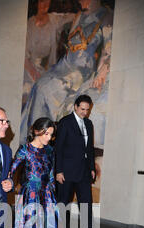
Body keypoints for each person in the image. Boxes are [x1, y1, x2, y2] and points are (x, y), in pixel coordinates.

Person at [20, 0, 113, 144]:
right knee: (40, 86)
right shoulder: (78, 16)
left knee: (47, 88)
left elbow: (109, 49)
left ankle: (47, 140)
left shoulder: (105, 15)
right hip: (64, 65)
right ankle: (33, 144)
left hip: (81, 70)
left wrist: (102, 71)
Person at [9, 117, 65, 228]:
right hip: (30, 196)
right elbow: (11, 171)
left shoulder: (49, 151)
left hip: (46, 195)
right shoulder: (25, 150)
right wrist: (10, 182)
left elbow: (50, 176)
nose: (49, 138)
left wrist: (52, 198)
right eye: (46, 133)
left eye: (51, 134)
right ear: (37, 131)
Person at [55, 94, 95, 228]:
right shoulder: (65, 122)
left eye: (87, 110)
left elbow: (89, 148)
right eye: (82, 109)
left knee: (86, 202)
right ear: (75, 107)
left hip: (84, 171)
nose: (84, 112)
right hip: (66, 171)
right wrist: (58, 170)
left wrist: (91, 167)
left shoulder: (89, 124)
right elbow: (58, 149)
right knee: (63, 202)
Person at [23, 0, 75, 108]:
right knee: (28, 92)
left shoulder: (54, 19)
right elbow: (23, 55)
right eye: (42, 1)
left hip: (47, 69)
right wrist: (33, 73)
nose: (45, 5)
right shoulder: (29, 24)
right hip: (28, 69)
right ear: (36, 3)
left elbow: (72, 16)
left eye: (47, 2)